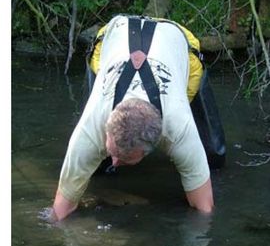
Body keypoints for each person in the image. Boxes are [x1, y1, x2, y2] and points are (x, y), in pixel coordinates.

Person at [49, 15, 215, 220]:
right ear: (106, 126)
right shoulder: (90, 128)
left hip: (178, 40)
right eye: (112, 151)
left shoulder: (178, 127)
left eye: (125, 158)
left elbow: (205, 208)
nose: (115, 161)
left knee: (213, 155)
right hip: (113, 33)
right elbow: (60, 210)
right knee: (95, 162)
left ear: (155, 143)